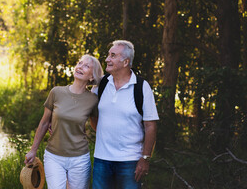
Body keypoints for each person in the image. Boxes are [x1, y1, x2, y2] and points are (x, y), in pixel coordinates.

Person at [24, 54, 103, 189]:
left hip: (80, 158)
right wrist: (33, 150)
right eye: (79, 63)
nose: (80, 67)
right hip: (54, 156)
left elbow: (97, 127)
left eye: (86, 66)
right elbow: (44, 123)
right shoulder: (56, 92)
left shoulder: (93, 100)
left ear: (92, 76)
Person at [91, 40, 159, 189]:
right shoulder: (101, 84)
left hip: (130, 161)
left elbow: (150, 126)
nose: (107, 59)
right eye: (108, 55)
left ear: (125, 62)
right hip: (102, 160)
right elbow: (88, 112)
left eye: (113, 55)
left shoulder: (141, 87)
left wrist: (145, 158)